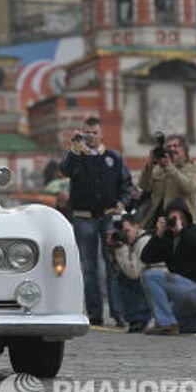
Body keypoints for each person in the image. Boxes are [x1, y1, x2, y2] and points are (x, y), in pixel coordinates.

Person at [58, 116, 132, 326]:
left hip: (109, 215)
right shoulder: (77, 156)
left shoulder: (113, 157)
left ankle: (118, 312)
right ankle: (95, 313)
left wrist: (123, 202)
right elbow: (65, 170)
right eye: (87, 133)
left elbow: (126, 184)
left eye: (94, 132)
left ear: (102, 134)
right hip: (84, 217)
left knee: (113, 264)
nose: (90, 137)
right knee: (89, 267)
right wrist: (74, 149)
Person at [140, 198, 196, 336]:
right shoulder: (168, 239)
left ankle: (166, 324)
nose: (177, 221)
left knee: (151, 276)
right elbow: (146, 257)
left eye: (180, 217)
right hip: (184, 297)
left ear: (187, 218)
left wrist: (181, 231)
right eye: (173, 218)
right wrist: (158, 234)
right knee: (180, 326)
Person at [106, 214, 164, 333]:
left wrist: (120, 249)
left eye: (127, 230)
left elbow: (133, 273)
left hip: (157, 280)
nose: (125, 234)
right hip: (155, 280)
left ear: (137, 226)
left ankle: (139, 318)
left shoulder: (142, 241)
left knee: (123, 278)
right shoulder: (135, 240)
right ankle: (135, 318)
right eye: (122, 231)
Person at [138, 134, 196, 230]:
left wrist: (169, 167)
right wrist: (149, 166)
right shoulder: (159, 168)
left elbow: (189, 187)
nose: (172, 149)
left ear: (185, 150)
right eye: (169, 147)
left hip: (182, 222)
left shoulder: (193, 167)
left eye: (176, 146)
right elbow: (144, 186)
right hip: (157, 222)